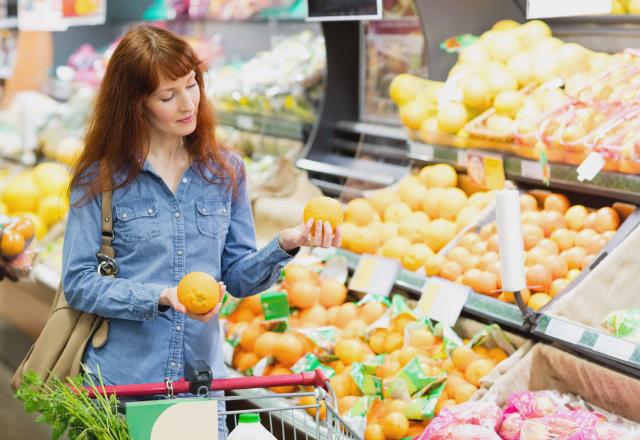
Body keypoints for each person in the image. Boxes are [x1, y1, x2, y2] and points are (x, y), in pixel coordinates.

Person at [61, 25, 341, 438]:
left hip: (198, 382)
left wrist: (287, 242)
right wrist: (162, 296)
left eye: (191, 85)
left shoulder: (223, 171)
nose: (187, 103)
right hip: (122, 387)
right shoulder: (101, 179)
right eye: (167, 95)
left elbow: (239, 277)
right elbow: (80, 282)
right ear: (136, 105)